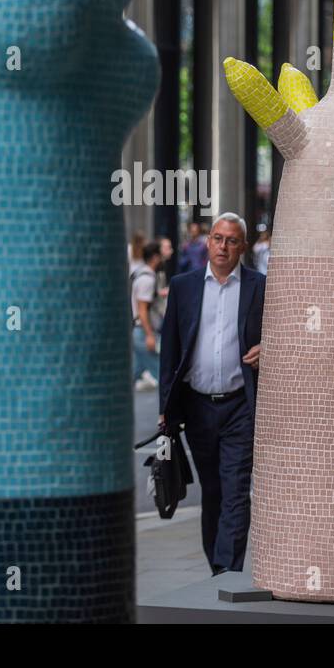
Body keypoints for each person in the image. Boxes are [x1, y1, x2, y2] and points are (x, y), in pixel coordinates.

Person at [158, 212, 265, 575]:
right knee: (214, 493)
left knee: (236, 492)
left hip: (240, 406)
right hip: (198, 407)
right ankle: (216, 569)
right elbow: (169, 351)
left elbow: (285, 331)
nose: (223, 246)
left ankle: (227, 570)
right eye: (218, 238)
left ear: (242, 247)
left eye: (231, 240)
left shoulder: (259, 286)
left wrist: (269, 347)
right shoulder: (184, 286)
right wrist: (165, 408)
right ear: (208, 242)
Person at [130, 241, 164, 392]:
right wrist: (149, 335)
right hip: (142, 331)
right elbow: (142, 310)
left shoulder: (142, 274)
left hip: (139, 331)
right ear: (155, 257)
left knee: (134, 371)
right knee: (161, 373)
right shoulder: (147, 279)